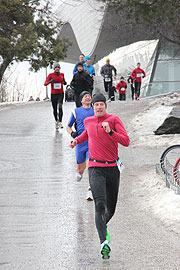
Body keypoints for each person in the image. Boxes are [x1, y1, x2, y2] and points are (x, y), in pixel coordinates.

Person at [70, 93, 130, 259]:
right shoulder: (87, 121)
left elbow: (126, 141)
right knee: (99, 204)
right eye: (96, 105)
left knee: (111, 209)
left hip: (112, 168)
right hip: (95, 167)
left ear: (105, 106)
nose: (98, 107)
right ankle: (104, 242)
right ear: (94, 107)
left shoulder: (114, 120)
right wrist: (76, 141)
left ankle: (103, 228)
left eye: (101, 104)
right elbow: (86, 135)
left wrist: (111, 132)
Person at [66, 91, 94, 200]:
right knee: (81, 169)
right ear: (81, 100)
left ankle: (90, 190)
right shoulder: (76, 111)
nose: (87, 98)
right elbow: (68, 126)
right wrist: (72, 133)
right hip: (80, 143)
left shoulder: (95, 110)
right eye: (85, 96)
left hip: (92, 142)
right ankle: (79, 172)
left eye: (89, 96)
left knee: (90, 167)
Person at [44, 62, 67, 129]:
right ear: (54, 69)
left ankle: (60, 122)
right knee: (54, 109)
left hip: (60, 93)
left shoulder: (62, 74)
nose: (57, 69)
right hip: (53, 94)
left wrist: (65, 83)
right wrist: (50, 81)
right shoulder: (50, 75)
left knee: (60, 106)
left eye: (58, 68)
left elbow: (63, 81)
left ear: (59, 68)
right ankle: (56, 121)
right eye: (56, 68)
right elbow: (45, 84)